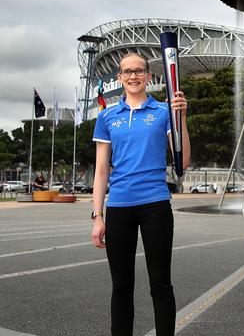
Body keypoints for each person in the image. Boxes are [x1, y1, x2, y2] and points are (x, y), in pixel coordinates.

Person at [90, 52, 191, 336]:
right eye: (127, 72)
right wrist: (98, 216)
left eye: (139, 71)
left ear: (149, 76)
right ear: (119, 77)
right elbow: (101, 171)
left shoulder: (163, 112)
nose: (133, 76)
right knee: (121, 286)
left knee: (160, 284)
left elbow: (182, 163)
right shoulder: (107, 117)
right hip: (119, 205)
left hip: (156, 204)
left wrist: (179, 118)